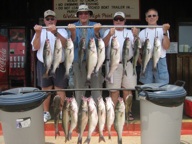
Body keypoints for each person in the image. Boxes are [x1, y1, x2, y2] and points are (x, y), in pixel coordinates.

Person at [31, 9, 69, 123]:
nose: (50, 21)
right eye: (48, 19)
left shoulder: (62, 30)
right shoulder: (40, 31)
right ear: (44, 21)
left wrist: (55, 33)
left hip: (59, 63)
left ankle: (62, 112)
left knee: (60, 88)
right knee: (45, 89)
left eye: (52, 19)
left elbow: (66, 44)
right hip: (44, 63)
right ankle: (46, 112)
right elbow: (35, 47)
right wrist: (37, 34)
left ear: (56, 20)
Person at [103, 11, 138, 121]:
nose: (118, 21)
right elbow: (103, 45)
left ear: (124, 21)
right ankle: (113, 113)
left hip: (127, 63)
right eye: (116, 19)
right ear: (113, 21)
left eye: (121, 19)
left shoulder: (130, 32)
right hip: (113, 63)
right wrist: (109, 34)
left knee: (127, 90)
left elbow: (138, 47)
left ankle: (127, 111)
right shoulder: (107, 32)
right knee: (114, 91)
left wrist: (136, 35)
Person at [67, 4, 104, 108]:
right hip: (78, 63)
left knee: (96, 89)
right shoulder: (72, 26)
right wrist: (73, 32)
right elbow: (71, 45)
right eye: (81, 13)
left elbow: (101, 44)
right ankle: (79, 112)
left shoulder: (96, 25)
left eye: (86, 13)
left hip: (94, 62)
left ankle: (97, 113)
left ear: (89, 15)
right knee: (79, 89)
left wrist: (97, 33)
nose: (83, 15)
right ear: (78, 15)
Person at [138, 8, 170, 84]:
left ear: (157, 17)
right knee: (147, 86)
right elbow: (138, 49)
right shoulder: (142, 33)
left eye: (154, 15)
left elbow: (166, 47)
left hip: (160, 60)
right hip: (147, 60)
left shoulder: (163, 30)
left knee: (162, 86)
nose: (151, 17)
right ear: (146, 19)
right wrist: (140, 60)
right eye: (149, 16)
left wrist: (165, 32)